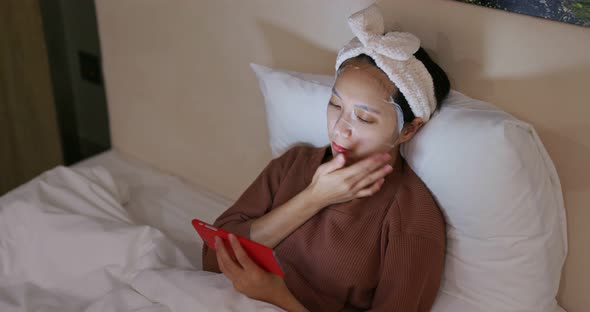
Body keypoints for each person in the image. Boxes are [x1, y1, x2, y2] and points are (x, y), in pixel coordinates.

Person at [203, 4, 450, 312]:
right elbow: (213, 257)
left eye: (364, 117)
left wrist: (278, 297)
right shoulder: (295, 164)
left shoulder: (411, 219)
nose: (340, 129)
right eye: (335, 104)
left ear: (409, 130)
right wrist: (313, 198)